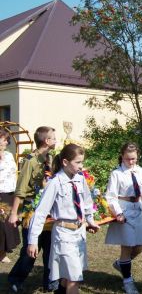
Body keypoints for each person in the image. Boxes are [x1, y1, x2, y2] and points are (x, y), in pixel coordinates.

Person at [27, 143, 99, 294]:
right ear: (65, 162)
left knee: (67, 278)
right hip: (63, 234)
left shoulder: (80, 180)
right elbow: (40, 213)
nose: (81, 166)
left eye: (82, 162)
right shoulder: (55, 183)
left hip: (79, 234)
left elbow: (87, 202)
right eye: (78, 162)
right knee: (74, 278)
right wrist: (32, 240)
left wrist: (90, 220)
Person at [8, 126, 56, 293]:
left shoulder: (50, 159)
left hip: (49, 209)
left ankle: (49, 282)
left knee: (50, 248)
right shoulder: (30, 161)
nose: (56, 141)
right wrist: (14, 214)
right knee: (31, 249)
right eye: (53, 138)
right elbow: (20, 189)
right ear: (46, 141)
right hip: (32, 209)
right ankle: (15, 279)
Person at [104, 142, 142, 294]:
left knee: (138, 247)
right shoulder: (116, 174)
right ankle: (128, 281)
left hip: (137, 210)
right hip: (124, 212)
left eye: (133, 159)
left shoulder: (140, 171)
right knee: (126, 246)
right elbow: (111, 196)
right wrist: (118, 213)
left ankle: (121, 264)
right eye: (127, 159)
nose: (131, 162)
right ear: (122, 157)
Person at [0, 128, 19, 264]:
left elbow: (13, 173)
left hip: (9, 193)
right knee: (1, 225)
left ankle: (3, 252)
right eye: (4, 138)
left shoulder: (9, 155)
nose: (6, 142)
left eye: (7, 139)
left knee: (7, 224)